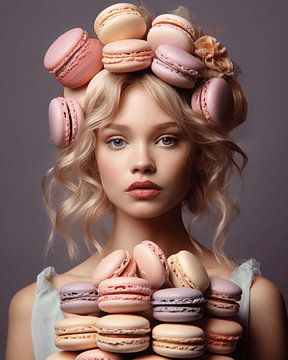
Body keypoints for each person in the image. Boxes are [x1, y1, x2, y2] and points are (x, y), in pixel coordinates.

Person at [5, 4, 288, 360]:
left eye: (167, 139)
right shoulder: (34, 307)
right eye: (117, 141)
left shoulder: (254, 301)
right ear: (92, 156)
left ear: (198, 152)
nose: (142, 163)